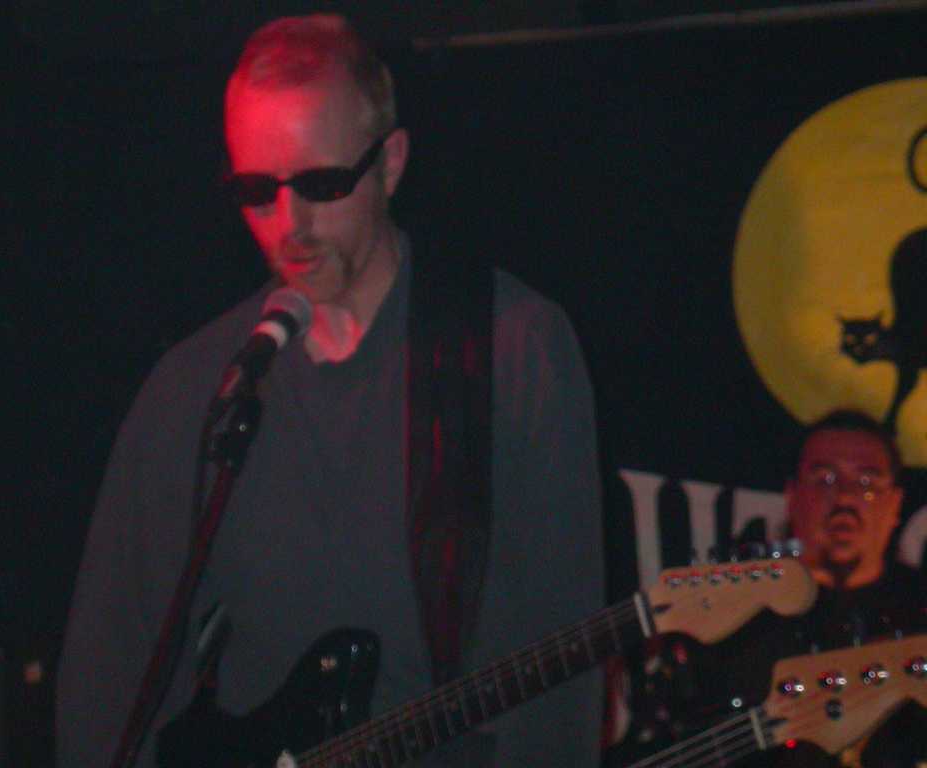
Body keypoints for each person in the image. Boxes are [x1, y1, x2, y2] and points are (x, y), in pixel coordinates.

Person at [56, 14, 605, 768]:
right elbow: (111, 677)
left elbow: (560, 666)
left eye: (321, 184)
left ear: (391, 164)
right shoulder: (197, 388)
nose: (292, 225)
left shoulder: (514, 350)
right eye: (257, 190)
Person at [604, 409, 927, 767]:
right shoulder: (733, 611)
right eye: (825, 478)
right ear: (792, 494)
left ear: (895, 503)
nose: (845, 498)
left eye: (866, 482)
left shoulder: (917, 610)